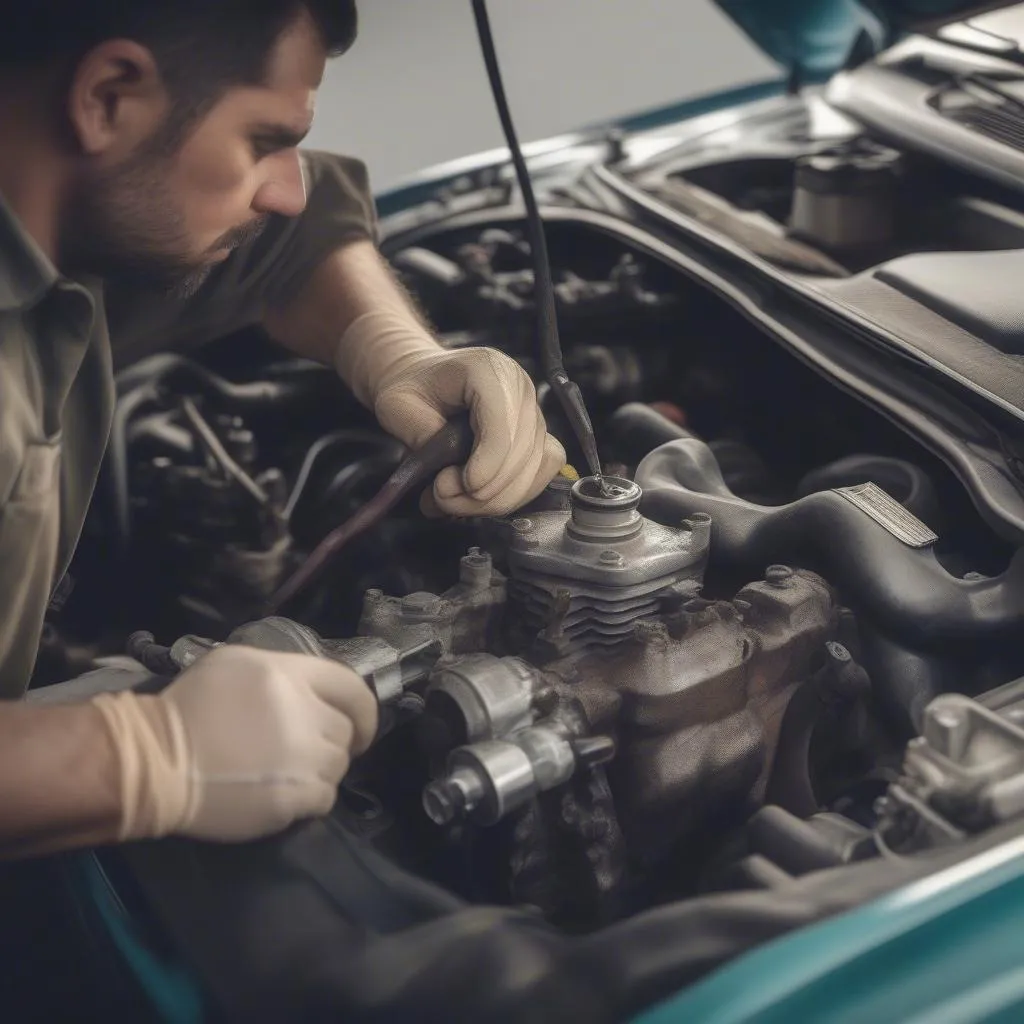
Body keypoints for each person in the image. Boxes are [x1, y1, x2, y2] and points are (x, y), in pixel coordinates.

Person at [0, 1, 566, 859]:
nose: (288, 186)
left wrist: (396, 352)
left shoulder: (58, 200)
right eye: (263, 139)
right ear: (107, 95)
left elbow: (291, 244)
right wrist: (140, 760)